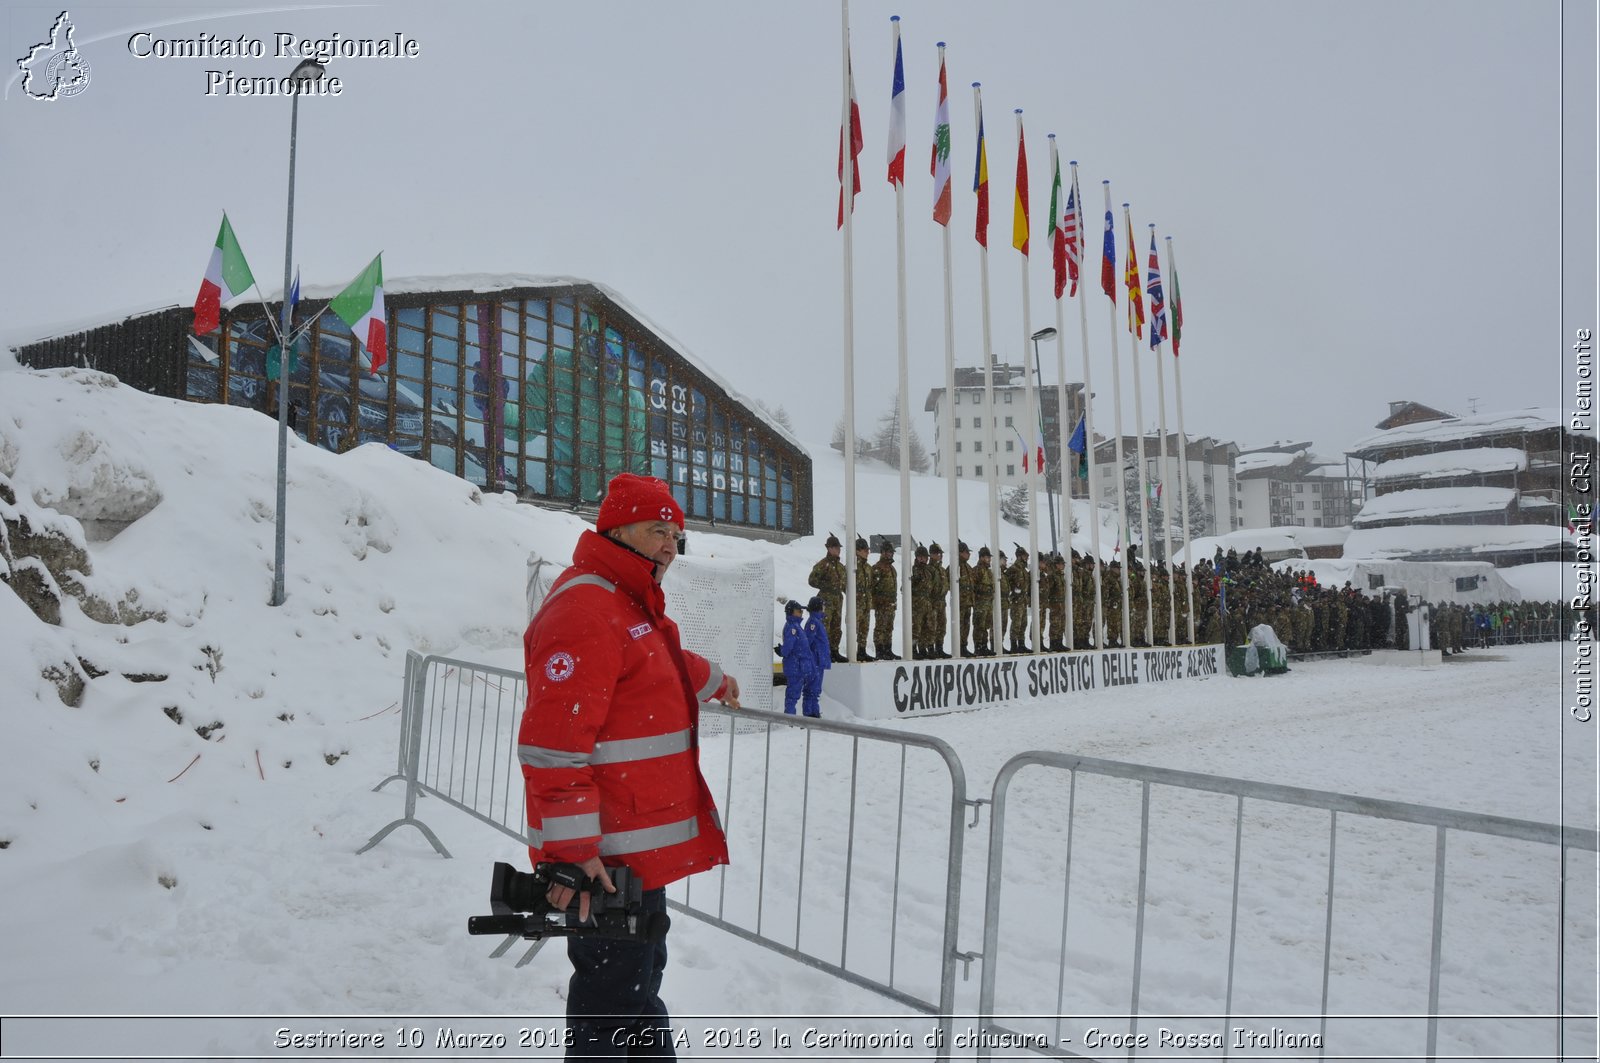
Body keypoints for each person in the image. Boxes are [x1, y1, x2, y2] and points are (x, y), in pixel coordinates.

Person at [517, 473, 740, 1060]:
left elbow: (656, 660)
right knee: (610, 1007)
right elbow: (553, 750)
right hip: (602, 863)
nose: (671, 545)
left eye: (677, 534)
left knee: (636, 995)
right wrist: (572, 857)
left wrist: (716, 680)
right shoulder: (587, 609)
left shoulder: (624, 601)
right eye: (658, 530)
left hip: (629, 858)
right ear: (617, 531)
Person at [806, 534, 848, 663]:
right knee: (825, 626)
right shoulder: (823, 564)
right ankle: (825, 652)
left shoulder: (841, 567)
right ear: (829, 548)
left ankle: (834, 650)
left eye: (839, 547)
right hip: (826, 599)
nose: (838, 550)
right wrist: (826, 585)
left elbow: (844, 583)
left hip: (838, 599)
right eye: (835, 547)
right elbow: (812, 580)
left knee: (836, 626)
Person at [779, 599, 814, 715]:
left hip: (798, 666)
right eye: (799, 611)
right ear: (792, 612)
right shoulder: (792, 627)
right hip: (795, 666)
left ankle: (791, 719)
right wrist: (782, 651)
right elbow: (789, 646)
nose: (801, 613)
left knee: (795, 694)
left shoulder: (796, 626)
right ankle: (789, 720)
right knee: (792, 695)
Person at [871, 542, 901, 661]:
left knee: (889, 628)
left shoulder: (892, 568)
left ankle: (888, 650)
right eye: (888, 552)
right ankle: (880, 651)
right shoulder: (877, 568)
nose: (890, 555)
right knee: (880, 628)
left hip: (891, 604)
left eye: (891, 553)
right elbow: (872, 587)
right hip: (881, 604)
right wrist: (877, 601)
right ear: (883, 553)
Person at [802, 596, 830, 718]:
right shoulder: (813, 622)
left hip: (819, 660)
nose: (824, 608)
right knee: (811, 689)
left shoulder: (817, 621)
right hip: (815, 661)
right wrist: (813, 658)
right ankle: (810, 714)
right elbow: (808, 641)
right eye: (823, 605)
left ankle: (814, 712)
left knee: (815, 689)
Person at [927, 543, 950, 659]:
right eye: (937, 553)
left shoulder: (942, 570)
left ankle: (939, 648)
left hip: (941, 602)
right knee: (931, 627)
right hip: (932, 602)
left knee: (942, 626)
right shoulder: (929, 569)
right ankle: (930, 648)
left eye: (940, 554)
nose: (939, 556)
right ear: (931, 555)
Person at [854, 536, 875, 661]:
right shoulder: (853, 566)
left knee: (864, 628)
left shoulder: (868, 568)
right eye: (865, 550)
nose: (867, 552)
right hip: (856, 602)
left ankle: (862, 651)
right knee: (854, 628)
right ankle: (854, 651)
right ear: (857, 550)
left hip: (866, 602)